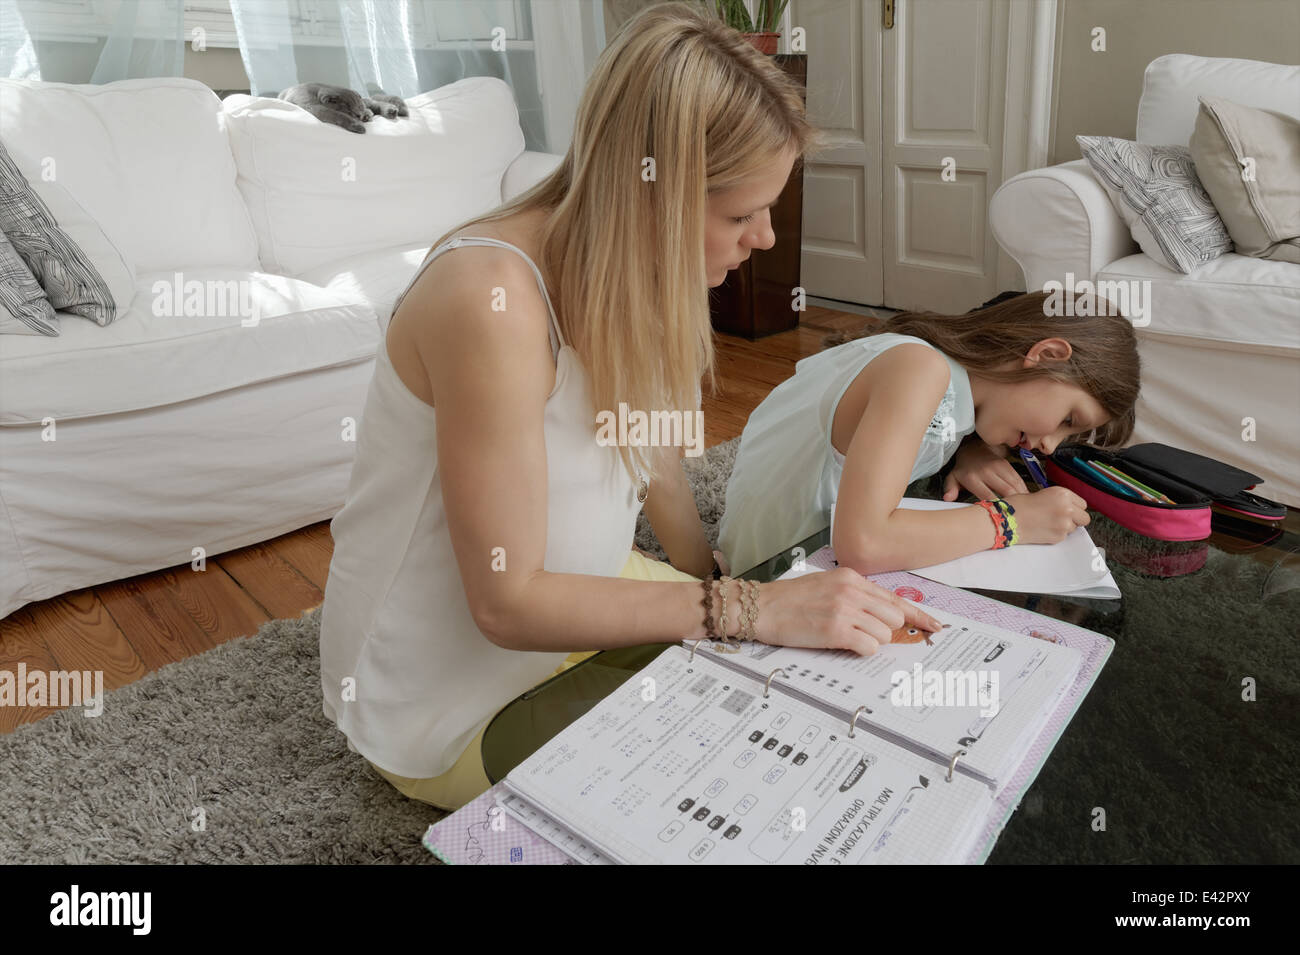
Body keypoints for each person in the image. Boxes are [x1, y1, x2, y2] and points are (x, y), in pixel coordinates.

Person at [318, 2, 942, 813]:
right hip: (450, 692)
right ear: (648, 194)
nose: (761, 239)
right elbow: (505, 601)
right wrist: (745, 607)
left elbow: (649, 447)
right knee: (754, 743)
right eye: (740, 214)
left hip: (588, 589)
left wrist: (704, 576)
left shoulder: (634, 273)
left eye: (768, 211)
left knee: (819, 670)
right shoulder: (490, 299)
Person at [718, 290, 1142, 577]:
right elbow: (864, 544)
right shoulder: (918, 370)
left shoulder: (937, 373)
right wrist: (1012, 521)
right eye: (1069, 419)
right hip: (772, 574)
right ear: (1046, 354)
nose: (1050, 445)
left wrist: (969, 450)